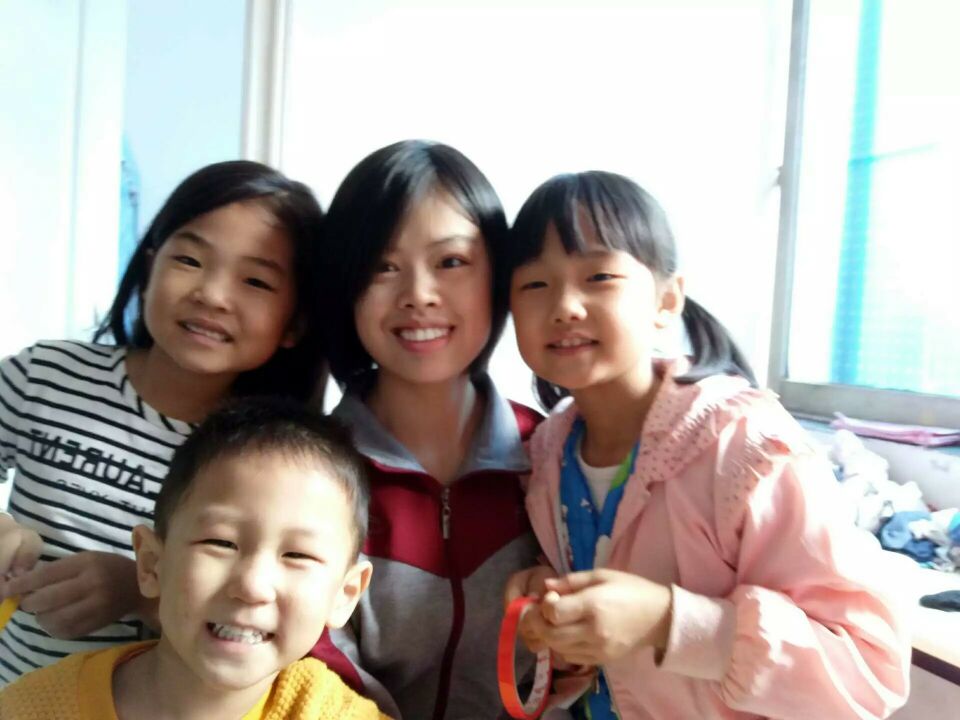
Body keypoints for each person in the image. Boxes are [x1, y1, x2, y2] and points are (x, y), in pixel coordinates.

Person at [503, 171, 911, 719]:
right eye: (535, 285)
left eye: (598, 276)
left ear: (667, 300)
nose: (565, 306)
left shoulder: (744, 448)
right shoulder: (548, 454)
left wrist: (669, 622)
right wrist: (560, 620)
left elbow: (868, 669)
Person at [0, 160, 325, 683]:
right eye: (190, 259)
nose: (212, 294)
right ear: (150, 268)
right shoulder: (47, 374)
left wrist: (139, 592)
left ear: (296, 323)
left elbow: (268, 618)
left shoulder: (269, 466)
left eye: (255, 280)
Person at [310, 140, 541, 719]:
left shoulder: (553, 454)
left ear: (499, 276)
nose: (417, 295)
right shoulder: (306, 471)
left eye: (451, 262)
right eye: (381, 267)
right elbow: (307, 661)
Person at [0, 398, 391, 719]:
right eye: (221, 543)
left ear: (345, 594)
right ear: (151, 564)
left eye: (297, 554)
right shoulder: (30, 708)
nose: (252, 586)